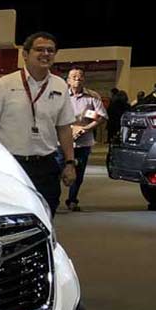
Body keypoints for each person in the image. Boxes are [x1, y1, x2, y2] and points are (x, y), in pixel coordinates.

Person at [0, 32, 77, 216]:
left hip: (47, 166)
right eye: (39, 49)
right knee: (11, 216)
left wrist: (70, 163)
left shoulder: (60, 86)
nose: (46, 54)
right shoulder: (5, 84)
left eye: (50, 50)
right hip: (11, 166)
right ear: (25, 54)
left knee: (46, 215)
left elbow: (64, 128)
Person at [64, 68, 107, 212]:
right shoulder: (61, 96)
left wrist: (85, 128)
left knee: (78, 173)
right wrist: (71, 129)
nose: (77, 78)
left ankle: (72, 200)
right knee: (56, 171)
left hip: (83, 142)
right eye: (74, 76)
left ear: (84, 79)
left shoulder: (92, 96)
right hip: (62, 141)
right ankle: (52, 201)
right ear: (68, 80)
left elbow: (101, 116)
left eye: (80, 76)